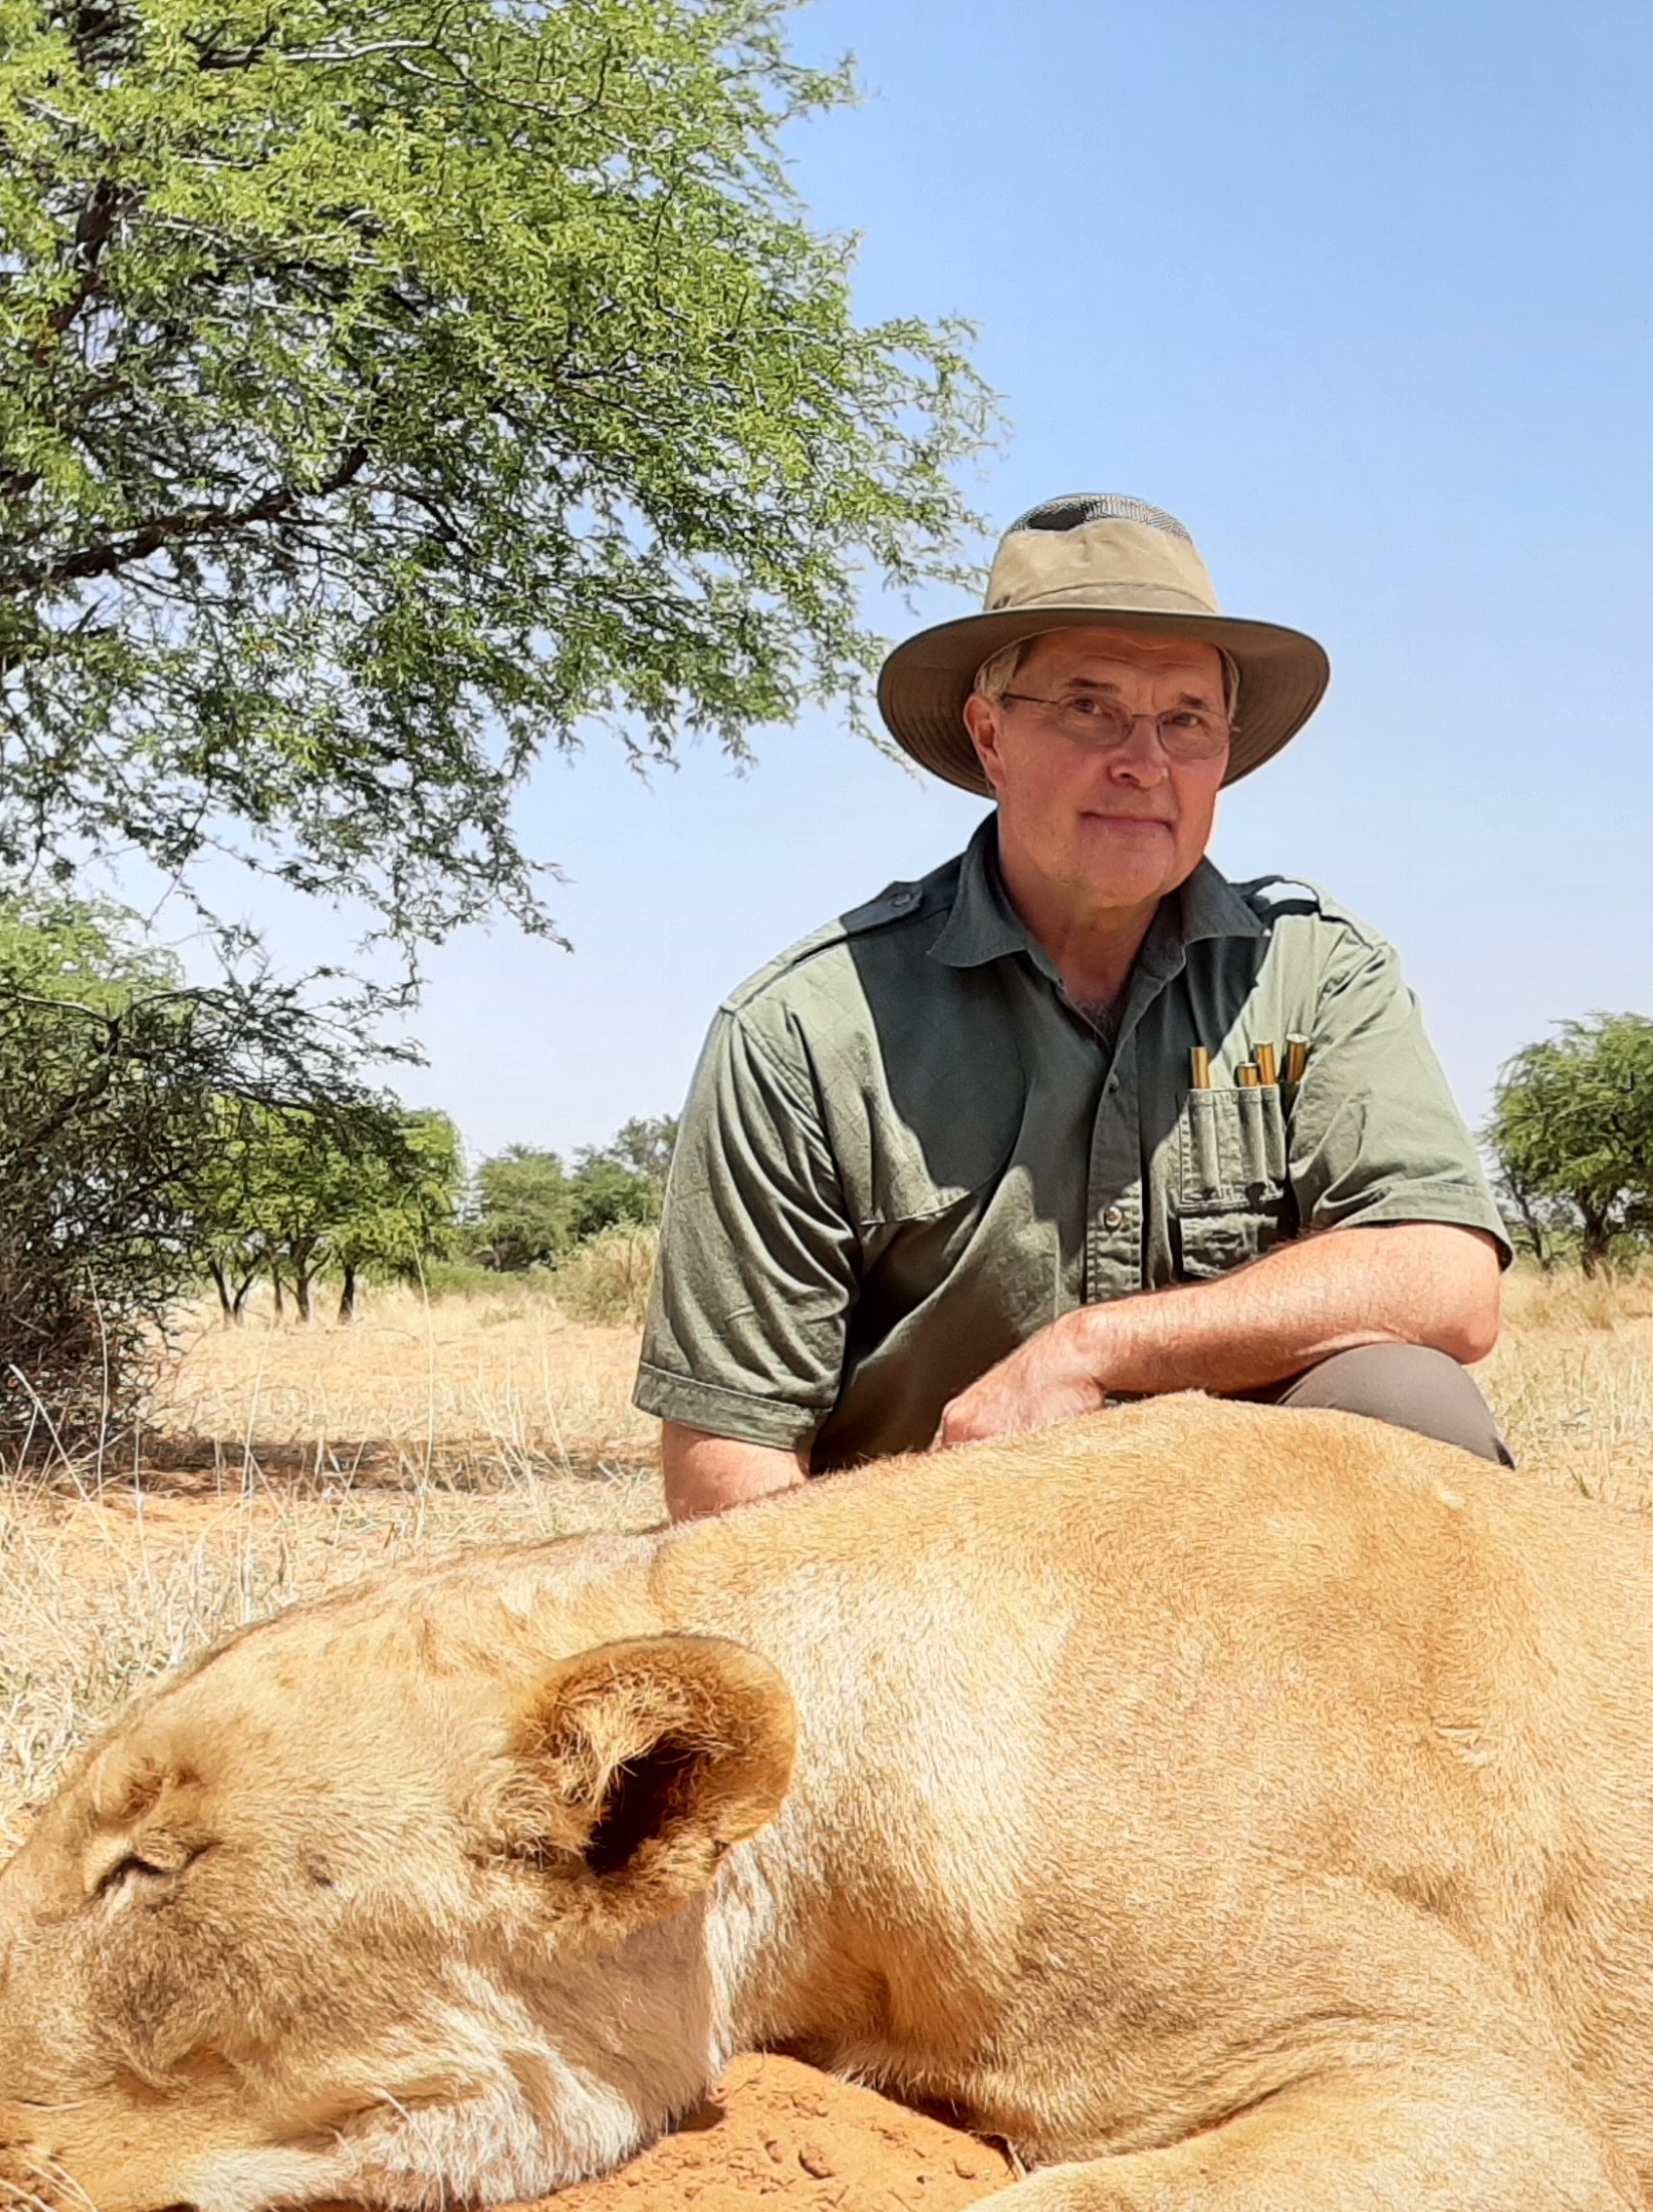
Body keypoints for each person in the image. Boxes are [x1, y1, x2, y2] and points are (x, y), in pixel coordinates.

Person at [639, 494, 1513, 1520]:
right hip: (930, 1582)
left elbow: (1446, 1281)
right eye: (1090, 707)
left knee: (1411, 1405)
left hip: (1250, 1558)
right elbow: (726, 1459)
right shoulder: (805, 1031)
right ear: (990, 735)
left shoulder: (1317, 975)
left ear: (1224, 750)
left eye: (1185, 719)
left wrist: (1093, 1351)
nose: (1143, 762)